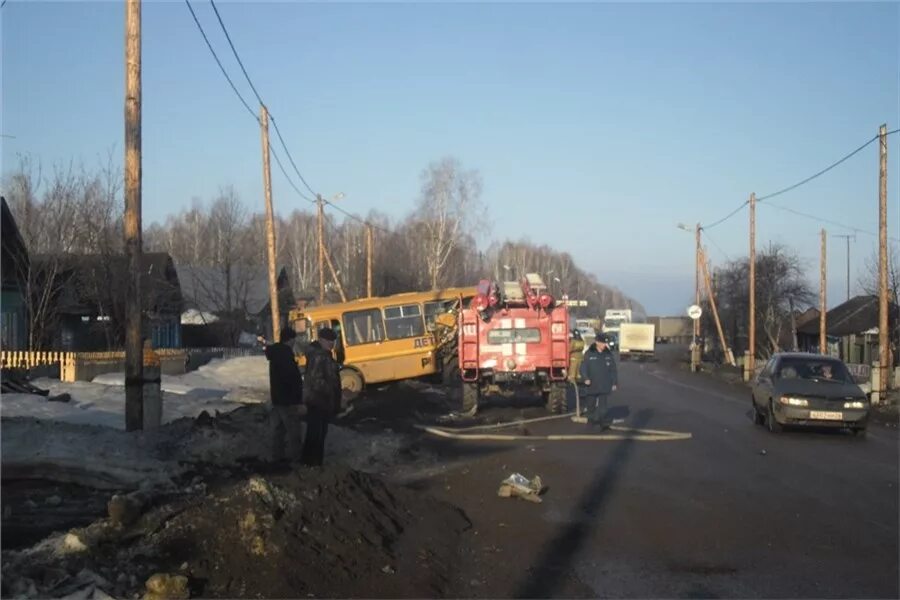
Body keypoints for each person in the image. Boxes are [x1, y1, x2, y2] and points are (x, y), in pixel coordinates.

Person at [261, 327, 304, 463]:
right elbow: (291, 377)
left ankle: (276, 457)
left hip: (278, 398)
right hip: (288, 399)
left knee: (278, 430)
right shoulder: (285, 354)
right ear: (290, 339)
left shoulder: (275, 353)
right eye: (293, 340)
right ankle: (296, 459)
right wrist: (298, 398)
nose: (294, 342)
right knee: (294, 431)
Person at [302, 327, 342, 466]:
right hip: (318, 400)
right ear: (321, 340)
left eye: (333, 341)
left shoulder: (322, 354)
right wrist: (330, 390)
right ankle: (313, 463)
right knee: (316, 434)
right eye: (328, 341)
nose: (331, 343)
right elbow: (317, 380)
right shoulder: (319, 356)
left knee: (316, 433)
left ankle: (312, 462)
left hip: (319, 400)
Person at [579, 332, 618, 428]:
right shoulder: (589, 354)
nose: (604, 345)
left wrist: (614, 383)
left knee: (603, 409)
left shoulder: (608, 354)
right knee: (590, 406)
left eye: (606, 343)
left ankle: (601, 422)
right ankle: (591, 422)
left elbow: (613, 370)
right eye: (603, 343)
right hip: (592, 385)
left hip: (604, 385)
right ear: (597, 342)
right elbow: (583, 367)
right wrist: (585, 378)